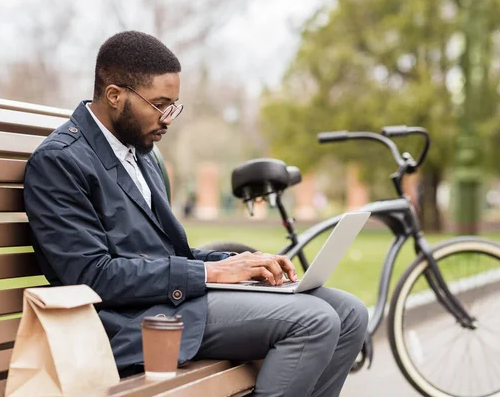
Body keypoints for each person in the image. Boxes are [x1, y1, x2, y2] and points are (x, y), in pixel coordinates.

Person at [23, 31, 368, 397]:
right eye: (159, 105)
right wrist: (209, 272)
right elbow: (92, 277)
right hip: (125, 322)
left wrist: (240, 263)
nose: (168, 119)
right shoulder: (60, 162)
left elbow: (167, 253)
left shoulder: (141, 154)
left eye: (173, 105)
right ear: (114, 96)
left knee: (350, 314)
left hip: (172, 303)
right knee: (313, 321)